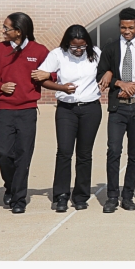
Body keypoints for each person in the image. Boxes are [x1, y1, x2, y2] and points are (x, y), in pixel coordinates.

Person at [0, 12, 50, 214]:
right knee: (3, 153)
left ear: (19, 31)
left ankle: (19, 198)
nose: (3, 31)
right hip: (6, 111)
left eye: (6, 28)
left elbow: (53, 72)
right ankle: (10, 186)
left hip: (28, 111)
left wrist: (47, 74)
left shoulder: (39, 51)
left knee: (23, 155)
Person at [31, 25, 102, 212]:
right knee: (64, 151)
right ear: (67, 44)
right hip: (66, 109)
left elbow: (108, 70)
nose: (78, 50)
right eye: (74, 47)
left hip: (90, 109)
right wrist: (61, 88)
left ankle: (80, 195)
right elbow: (40, 78)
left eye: (82, 46)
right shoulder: (57, 55)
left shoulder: (95, 53)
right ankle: (61, 195)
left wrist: (108, 75)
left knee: (85, 154)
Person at [95, 7, 135, 213]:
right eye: (123, 27)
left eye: (131, 27)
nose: (127, 31)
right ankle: (112, 196)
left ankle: (128, 196)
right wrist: (121, 83)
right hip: (118, 109)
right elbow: (102, 74)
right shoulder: (111, 48)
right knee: (113, 151)